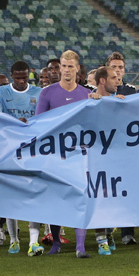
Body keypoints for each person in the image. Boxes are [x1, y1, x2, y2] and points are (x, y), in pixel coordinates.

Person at [36, 50, 91, 258]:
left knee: (80, 198)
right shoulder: (47, 93)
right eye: (63, 66)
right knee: (55, 199)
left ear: (77, 68)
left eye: (70, 66)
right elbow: (38, 124)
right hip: (54, 154)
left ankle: (80, 246)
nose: (66, 70)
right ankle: (56, 243)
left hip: (79, 154)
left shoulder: (86, 94)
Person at [0, 61, 43, 255]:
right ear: (11, 76)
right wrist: (16, 124)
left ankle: (33, 241)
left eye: (25, 77)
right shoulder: (1, 93)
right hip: (9, 151)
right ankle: (14, 240)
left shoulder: (38, 93)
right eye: (18, 77)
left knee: (33, 195)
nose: (22, 81)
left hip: (33, 151)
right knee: (12, 197)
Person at [87, 66, 125, 255]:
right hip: (97, 159)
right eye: (113, 78)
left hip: (117, 158)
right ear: (102, 81)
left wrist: (121, 107)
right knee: (99, 199)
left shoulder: (120, 102)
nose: (117, 81)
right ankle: (101, 239)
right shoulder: (88, 101)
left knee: (115, 200)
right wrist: (98, 102)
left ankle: (109, 233)